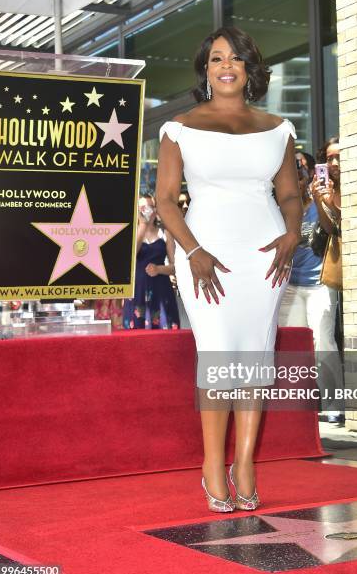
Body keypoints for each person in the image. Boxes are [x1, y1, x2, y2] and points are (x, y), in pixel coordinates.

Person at [155, 26, 302, 512]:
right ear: (205, 68)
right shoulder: (178, 128)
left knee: (255, 357)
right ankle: (212, 465)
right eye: (217, 58)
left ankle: (245, 463)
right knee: (217, 354)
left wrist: (292, 231)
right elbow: (165, 201)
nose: (226, 66)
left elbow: (288, 194)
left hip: (263, 254)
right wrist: (192, 251)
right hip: (204, 252)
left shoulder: (278, 128)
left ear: (249, 69)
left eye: (236, 58)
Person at [279, 144, 344, 425]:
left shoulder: (324, 194)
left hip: (319, 282)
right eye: (292, 168)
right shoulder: (287, 202)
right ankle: (298, 408)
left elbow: (330, 228)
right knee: (292, 345)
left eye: (301, 166)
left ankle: (333, 404)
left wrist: (320, 198)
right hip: (291, 284)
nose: (298, 171)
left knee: (322, 341)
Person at [122, 195, 180, 330]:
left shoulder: (165, 233)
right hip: (137, 291)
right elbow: (129, 259)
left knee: (165, 335)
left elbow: (175, 267)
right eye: (142, 208)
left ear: (155, 210)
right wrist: (142, 225)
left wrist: (159, 269)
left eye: (149, 207)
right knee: (136, 336)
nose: (145, 211)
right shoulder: (130, 234)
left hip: (161, 290)